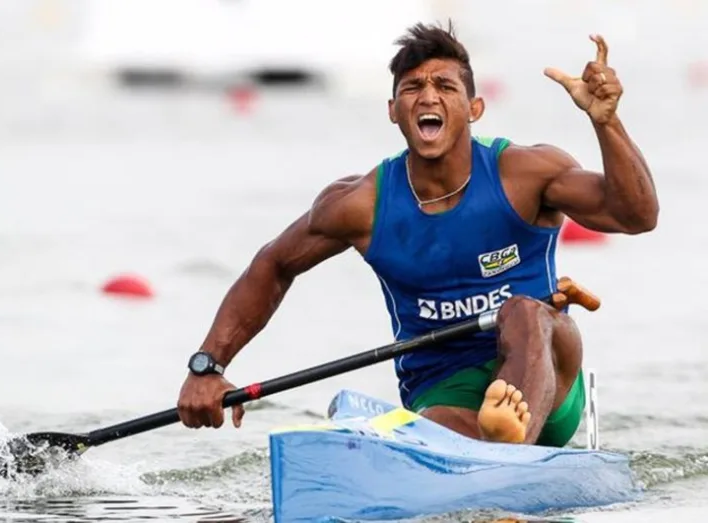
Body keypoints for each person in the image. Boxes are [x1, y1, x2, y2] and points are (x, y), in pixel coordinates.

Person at [177, 21, 659, 446]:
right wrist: (208, 367)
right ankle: (489, 446)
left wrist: (607, 122)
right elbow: (274, 264)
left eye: (445, 86)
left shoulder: (526, 174)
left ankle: (507, 449)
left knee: (526, 312)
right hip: (447, 395)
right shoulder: (361, 205)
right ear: (393, 109)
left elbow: (636, 216)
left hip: (548, 375)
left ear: (474, 107)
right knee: (428, 426)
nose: (428, 96)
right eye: (413, 87)